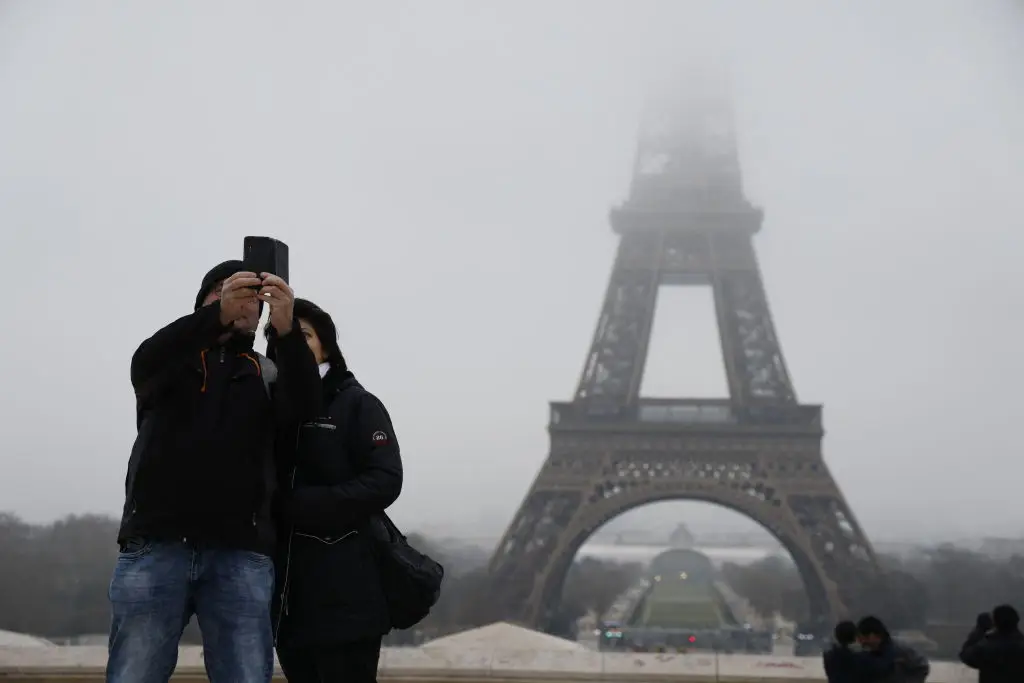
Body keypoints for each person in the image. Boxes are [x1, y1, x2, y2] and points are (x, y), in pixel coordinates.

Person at [107, 262, 321, 683]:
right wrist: (215, 317)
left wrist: (287, 332)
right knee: (134, 674)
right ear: (206, 302)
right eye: (226, 291)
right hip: (156, 543)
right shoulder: (170, 361)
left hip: (240, 551)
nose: (241, 302)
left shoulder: (268, 371)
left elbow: (306, 409)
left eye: (250, 297)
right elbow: (144, 359)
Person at [269, 298, 403, 683]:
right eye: (280, 336)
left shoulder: (358, 404)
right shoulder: (270, 406)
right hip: (289, 597)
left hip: (346, 590)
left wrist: (300, 505)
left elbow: (385, 480)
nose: (290, 343)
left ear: (326, 346)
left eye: (303, 335)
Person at [960, 605, 1024, 683]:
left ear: (995, 623)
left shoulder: (986, 648)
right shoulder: (1020, 646)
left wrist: (980, 629)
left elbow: (965, 655)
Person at [857, 616, 930, 683]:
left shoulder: (900, 650)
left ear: (872, 635)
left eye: (863, 638)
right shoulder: (867, 654)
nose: (861, 642)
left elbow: (922, 666)